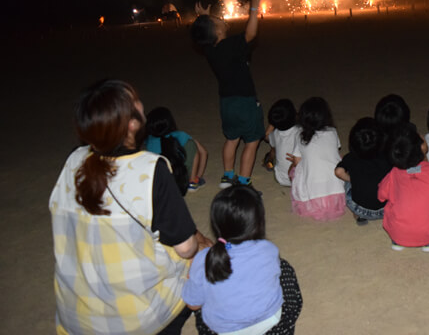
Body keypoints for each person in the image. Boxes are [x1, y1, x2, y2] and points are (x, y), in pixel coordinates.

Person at [49, 80, 211, 335]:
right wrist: (204, 245)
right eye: (134, 99)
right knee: (203, 255)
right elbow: (186, 248)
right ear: (132, 123)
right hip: (133, 319)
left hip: (76, 317)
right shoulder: (150, 169)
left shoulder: (73, 161)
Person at [182, 185, 303, 335]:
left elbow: (193, 305)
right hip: (271, 324)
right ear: (258, 222)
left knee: (203, 299)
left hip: (222, 330)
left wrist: (192, 278)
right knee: (284, 267)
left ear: (216, 223)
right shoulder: (268, 248)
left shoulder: (204, 259)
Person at [190, 0, 264, 188]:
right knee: (252, 140)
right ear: (217, 31)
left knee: (231, 139)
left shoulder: (210, 50)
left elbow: (206, 35)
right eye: (216, 21)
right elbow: (251, 33)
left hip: (227, 103)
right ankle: (243, 181)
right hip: (245, 101)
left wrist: (205, 17)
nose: (220, 19)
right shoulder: (230, 45)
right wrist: (254, 8)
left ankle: (227, 176)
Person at [377, 122, 429, 251]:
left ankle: (399, 242)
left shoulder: (394, 172)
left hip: (397, 233)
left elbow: (381, 196)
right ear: (422, 147)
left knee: (393, 203)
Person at [288, 97, 346, 221]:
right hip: (336, 187)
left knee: (297, 169)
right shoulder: (332, 132)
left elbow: (297, 162)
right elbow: (336, 149)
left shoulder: (299, 135)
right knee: (336, 158)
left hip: (312, 188)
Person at [335, 117, 392, 226]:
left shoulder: (350, 157)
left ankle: (359, 216)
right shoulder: (388, 157)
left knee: (346, 183)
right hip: (386, 208)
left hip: (360, 208)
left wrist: (353, 179)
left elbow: (338, 172)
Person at [145, 106, 208, 192]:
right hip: (180, 177)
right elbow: (204, 152)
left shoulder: (148, 140)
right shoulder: (180, 135)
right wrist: (199, 177)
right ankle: (193, 181)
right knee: (191, 144)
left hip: (160, 179)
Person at [264, 99, 299, 187]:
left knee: (274, 149)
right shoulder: (301, 131)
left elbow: (266, 136)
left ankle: (269, 163)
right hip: (300, 180)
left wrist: (273, 123)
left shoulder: (274, 134)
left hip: (281, 178)